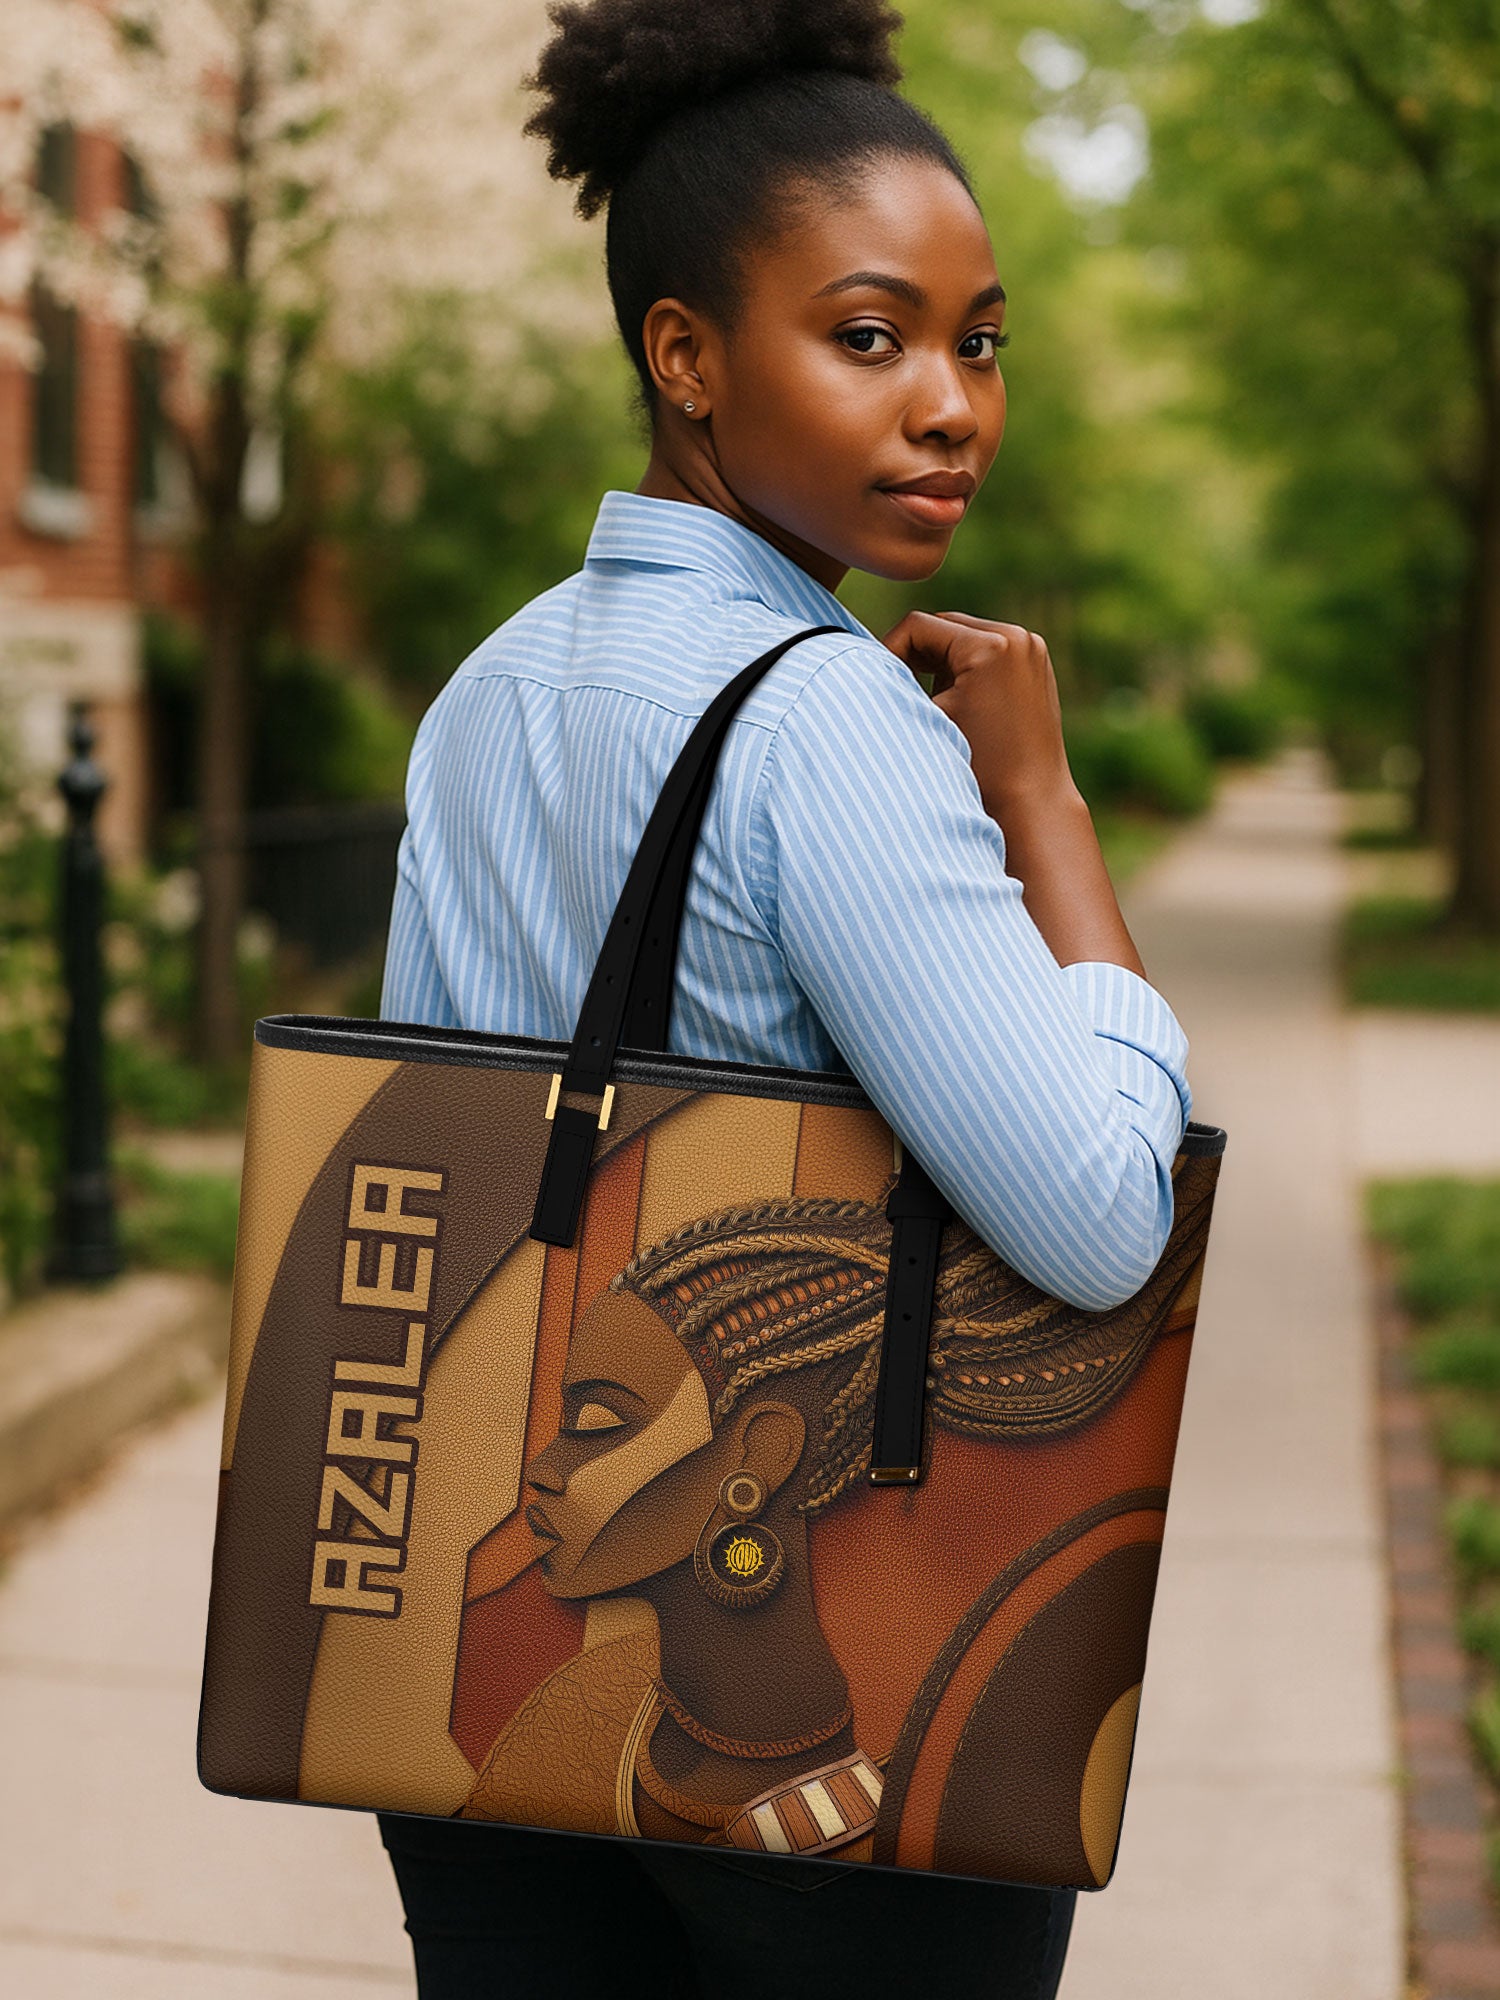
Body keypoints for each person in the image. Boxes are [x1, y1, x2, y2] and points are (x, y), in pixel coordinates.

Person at [375, 1, 1195, 1993]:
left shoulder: (489, 690)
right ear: (686, 357)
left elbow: (446, 1129)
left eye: (976, 340)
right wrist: (1045, 806)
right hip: (837, 1719)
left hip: (479, 1701)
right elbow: (1097, 1217)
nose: (951, 405)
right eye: (868, 334)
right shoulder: (828, 720)